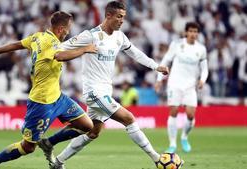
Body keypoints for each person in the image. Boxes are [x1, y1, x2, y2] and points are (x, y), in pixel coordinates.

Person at [38, 1, 174, 169]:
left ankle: (57, 161)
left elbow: (135, 53)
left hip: (105, 91)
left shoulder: (119, 37)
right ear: (108, 15)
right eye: (119, 17)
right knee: (129, 119)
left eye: (123, 17)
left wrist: (156, 66)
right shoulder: (90, 35)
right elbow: (60, 48)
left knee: (93, 132)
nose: (122, 20)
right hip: (94, 92)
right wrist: (80, 50)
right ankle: (158, 160)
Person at [0, 11, 97, 169]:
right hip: (41, 102)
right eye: (67, 29)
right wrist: (84, 49)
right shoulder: (49, 43)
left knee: (87, 126)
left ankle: (48, 143)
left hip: (58, 97)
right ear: (60, 29)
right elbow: (60, 57)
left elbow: (17, 44)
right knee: (28, 147)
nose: (68, 32)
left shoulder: (37, 37)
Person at [154, 22, 209, 153]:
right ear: (186, 32)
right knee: (173, 111)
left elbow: (205, 69)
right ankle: (172, 144)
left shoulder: (201, 49)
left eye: (195, 32)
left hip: (190, 86)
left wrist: (202, 80)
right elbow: (166, 60)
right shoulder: (177, 44)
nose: (193, 34)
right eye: (191, 31)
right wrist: (159, 79)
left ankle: (184, 137)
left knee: (190, 115)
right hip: (175, 84)